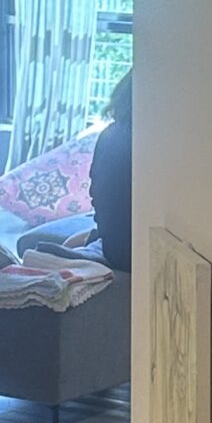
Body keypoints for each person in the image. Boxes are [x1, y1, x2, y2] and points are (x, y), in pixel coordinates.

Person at [90, 70, 133, 273]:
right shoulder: (148, 141)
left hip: (113, 245)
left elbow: (96, 194)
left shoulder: (109, 135)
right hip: (129, 253)